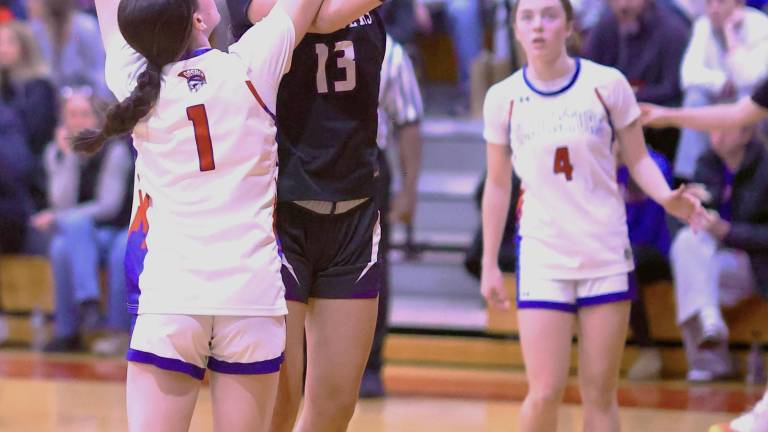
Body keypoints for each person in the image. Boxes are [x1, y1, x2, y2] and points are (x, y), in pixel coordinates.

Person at [80, 0, 326, 430]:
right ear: (196, 19)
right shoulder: (253, 64)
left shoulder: (132, 80)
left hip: (173, 296)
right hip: (251, 296)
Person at [480, 0, 705, 431]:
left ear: (569, 25)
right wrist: (491, 261)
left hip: (604, 250)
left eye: (549, 15)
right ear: (516, 29)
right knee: (543, 392)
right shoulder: (502, 98)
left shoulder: (607, 85)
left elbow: (639, 160)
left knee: (600, 394)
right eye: (527, 17)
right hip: (543, 253)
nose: (539, 25)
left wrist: (666, 197)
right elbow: (496, 183)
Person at [227, 0, 385, 430]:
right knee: (281, 397)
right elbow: (298, 15)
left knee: (335, 406)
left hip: (353, 210)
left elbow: (326, 18)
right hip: (282, 209)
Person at [642, 79, 768, 432]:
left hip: (752, 262)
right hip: (718, 261)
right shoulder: (708, 161)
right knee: (687, 245)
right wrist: (668, 115)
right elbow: (736, 112)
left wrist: (728, 231)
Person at [31, 88, 133, 353]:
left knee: (108, 245)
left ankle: (112, 325)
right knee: (60, 247)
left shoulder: (115, 151)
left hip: (118, 228)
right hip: (83, 234)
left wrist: (59, 217)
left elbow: (109, 207)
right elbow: (62, 202)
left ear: (99, 119)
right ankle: (69, 332)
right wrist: (68, 161)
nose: (78, 121)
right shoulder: (56, 152)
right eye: (72, 115)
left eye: (85, 114)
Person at [360, 32, 424, 398]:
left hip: (370, 164)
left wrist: (409, 187)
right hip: (305, 161)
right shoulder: (294, 33)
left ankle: (371, 365)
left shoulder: (390, 51)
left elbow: (409, 121)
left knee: (372, 266)